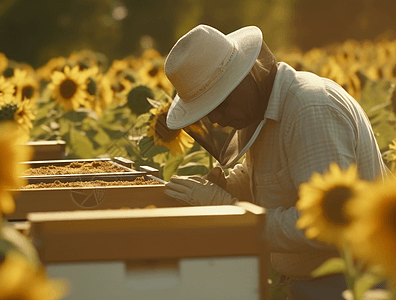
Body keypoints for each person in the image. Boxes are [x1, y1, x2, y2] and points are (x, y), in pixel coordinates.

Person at [162, 24, 392, 300]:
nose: (216, 120)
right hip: (314, 281)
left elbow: (321, 225)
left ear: (246, 77)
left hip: (355, 283)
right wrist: (228, 184)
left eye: (219, 104)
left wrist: (228, 211)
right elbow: (275, 180)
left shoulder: (310, 110)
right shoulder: (264, 109)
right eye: (207, 111)